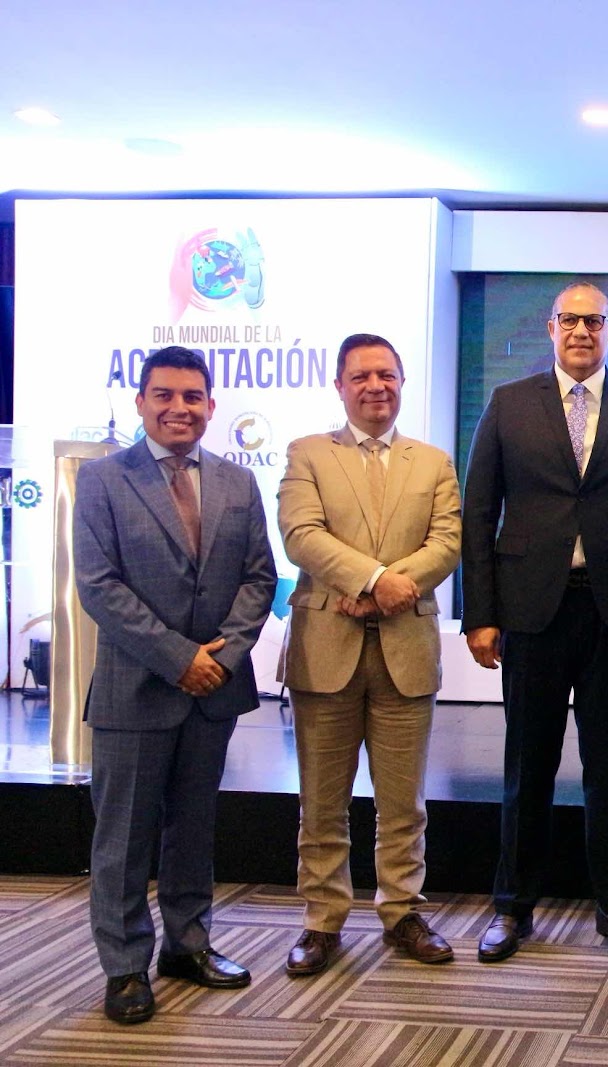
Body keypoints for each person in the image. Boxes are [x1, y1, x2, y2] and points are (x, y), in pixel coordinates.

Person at [462, 282, 608, 962]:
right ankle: (512, 907)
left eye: (594, 321)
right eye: (570, 320)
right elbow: (479, 512)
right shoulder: (509, 403)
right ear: (551, 329)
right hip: (530, 612)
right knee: (526, 767)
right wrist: (480, 614)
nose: (581, 331)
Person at [73, 345, 277, 1024]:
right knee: (124, 839)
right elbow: (99, 586)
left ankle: (187, 945)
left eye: (192, 396)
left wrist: (223, 654)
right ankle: (125, 967)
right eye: (163, 394)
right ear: (141, 402)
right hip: (136, 689)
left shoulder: (237, 482)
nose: (178, 408)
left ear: (211, 406)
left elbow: (260, 578)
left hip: (213, 690)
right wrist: (178, 657)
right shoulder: (102, 479)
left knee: (193, 830)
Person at [277, 333, 462, 974]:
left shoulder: (433, 461)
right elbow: (301, 535)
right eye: (361, 376)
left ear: (402, 382)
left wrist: (387, 590)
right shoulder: (307, 453)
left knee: (403, 804)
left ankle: (402, 911)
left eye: (386, 375)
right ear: (340, 386)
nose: (375, 386)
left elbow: (447, 541)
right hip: (325, 648)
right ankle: (322, 921)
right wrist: (374, 581)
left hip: (406, 651)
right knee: (322, 803)